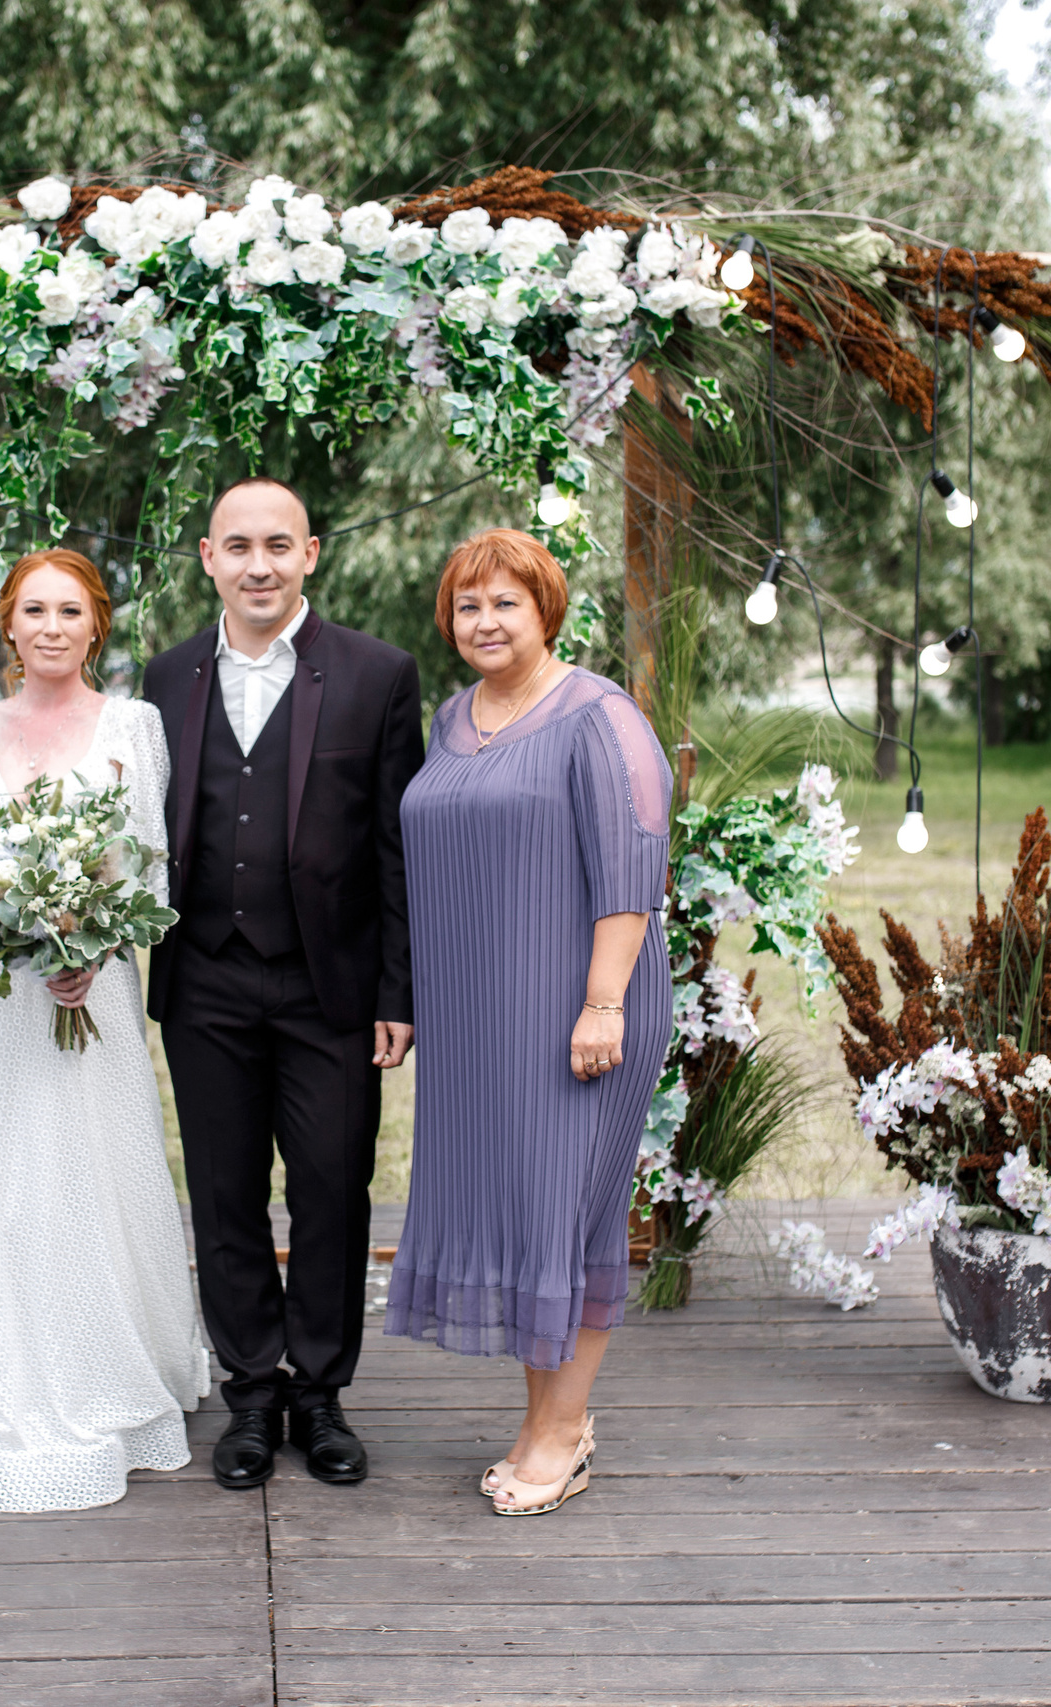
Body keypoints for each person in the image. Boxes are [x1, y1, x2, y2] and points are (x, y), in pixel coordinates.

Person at [0, 548, 210, 1512]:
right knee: (0, 1174)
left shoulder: (136, 726)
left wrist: (95, 949)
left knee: (93, 1170)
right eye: (35, 610)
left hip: (90, 994)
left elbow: (151, 870)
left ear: (96, 624)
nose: (54, 627)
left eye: (73, 610)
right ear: (8, 624)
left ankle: (110, 1363)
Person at [141, 477, 423, 1490]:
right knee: (223, 1195)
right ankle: (250, 1393)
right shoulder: (163, 677)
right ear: (208, 558)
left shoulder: (377, 675)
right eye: (236, 546)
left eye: (277, 545)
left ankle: (320, 1391)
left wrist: (399, 991)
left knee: (331, 1190)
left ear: (310, 554)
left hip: (330, 986)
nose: (257, 564)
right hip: (206, 976)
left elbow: (396, 846)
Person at [384, 527, 672, 1517]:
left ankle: (559, 1433)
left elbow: (632, 869)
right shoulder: (452, 718)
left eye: (505, 601)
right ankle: (549, 1419)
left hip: (577, 1012)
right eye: (468, 605)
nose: (484, 620)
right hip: (478, 1024)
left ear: (545, 608)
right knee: (522, 1217)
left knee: (571, 1214)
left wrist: (602, 1004)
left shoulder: (599, 717)